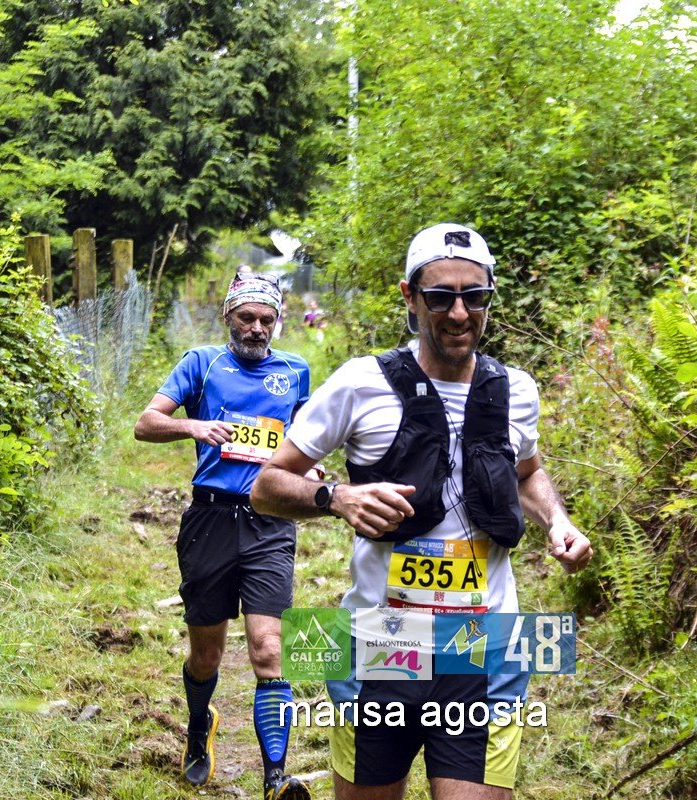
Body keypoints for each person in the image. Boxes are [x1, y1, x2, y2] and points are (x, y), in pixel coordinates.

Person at [251, 223, 594, 800]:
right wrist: (338, 498)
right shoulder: (361, 383)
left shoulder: (516, 390)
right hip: (379, 643)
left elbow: (526, 473)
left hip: (485, 644)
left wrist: (558, 522)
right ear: (410, 298)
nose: (459, 313)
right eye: (440, 297)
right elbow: (266, 486)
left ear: (489, 298)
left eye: (474, 296)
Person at [134, 272, 313, 800]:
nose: (256, 328)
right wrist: (193, 426)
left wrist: (312, 472)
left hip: (270, 521)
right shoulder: (202, 363)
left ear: (277, 322)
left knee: (269, 649)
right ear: (228, 317)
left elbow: (307, 442)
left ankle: (276, 779)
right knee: (206, 656)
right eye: (247, 318)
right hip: (210, 520)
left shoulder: (296, 371)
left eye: (266, 320)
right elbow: (145, 423)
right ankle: (199, 723)